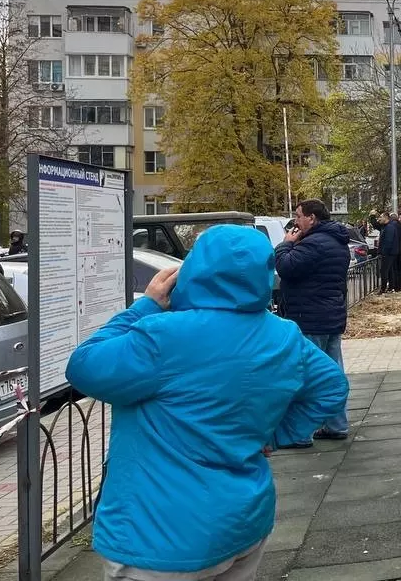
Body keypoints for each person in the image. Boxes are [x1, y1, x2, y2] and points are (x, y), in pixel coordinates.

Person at [66, 225, 349, 581]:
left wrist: (145, 307)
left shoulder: (162, 334)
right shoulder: (283, 334)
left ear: (193, 267)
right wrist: (275, 434)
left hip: (157, 538)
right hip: (243, 521)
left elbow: (83, 367)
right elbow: (331, 387)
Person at [274, 199, 352, 445]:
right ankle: (336, 424)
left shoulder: (314, 244)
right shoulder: (338, 242)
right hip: (331, 315)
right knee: (332, 372)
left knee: (304, 373)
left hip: (309, 317)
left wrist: (285, 246)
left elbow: (286, 267)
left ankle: (300, 432)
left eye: (298, 216)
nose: (295, 222)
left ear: (312, 218)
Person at [382, 213, 401, 292]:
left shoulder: (391, 226)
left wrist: (385, 251)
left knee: (392, 269)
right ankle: (398, 286)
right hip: (400, 249)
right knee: (399, 269)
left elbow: (389, 240)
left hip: (393, 251)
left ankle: (392, 286)